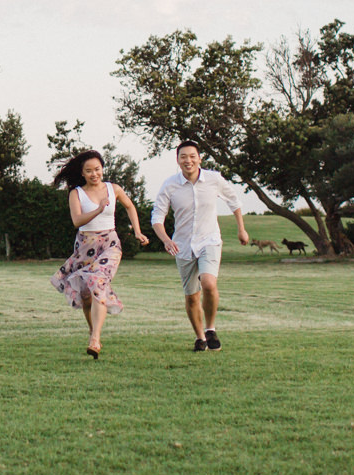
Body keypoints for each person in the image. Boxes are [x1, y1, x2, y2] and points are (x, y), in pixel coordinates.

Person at [150, 140, 250, 353]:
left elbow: (234, 201)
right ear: (178, 160)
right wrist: (166, 240)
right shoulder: (170, 185)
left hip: (210, 240)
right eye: (183, 157)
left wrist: (241, 229)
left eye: (192, 156)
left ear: (199, 158)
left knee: (208, 283)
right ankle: (200, 337)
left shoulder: (213, 179)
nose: (188, 160)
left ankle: (211, 328)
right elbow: (157, 217)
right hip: (183, 246)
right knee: (191, 295)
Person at [50, 149, 149, 359]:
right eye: (89, 171)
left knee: (98, 282)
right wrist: (99, 209)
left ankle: (95, 339)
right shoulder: (76, 193)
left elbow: (130, 207)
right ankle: (92, 331)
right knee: (86, 297)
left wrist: (138, 231)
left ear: (103, 169)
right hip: (85, 245)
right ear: (82, 173)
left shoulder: (114, 189)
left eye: (97, 169)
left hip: (110, 244)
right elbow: (77, 221)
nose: (94, 174)